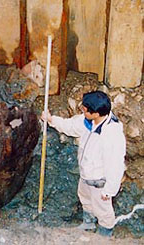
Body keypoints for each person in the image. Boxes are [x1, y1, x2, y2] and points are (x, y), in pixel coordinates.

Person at [41, 91, 126, 237]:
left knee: (102, 209)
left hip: (99, 181)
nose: (82, 109)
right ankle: (88, 224)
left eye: (85, 109)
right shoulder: (89, 121)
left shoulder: (111, 135)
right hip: (86, 174)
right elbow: (71, 126)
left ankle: (104, 234)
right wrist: (51, 120)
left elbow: (115, 165)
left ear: (96, 113)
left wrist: (109, 190)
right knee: (85, 199)